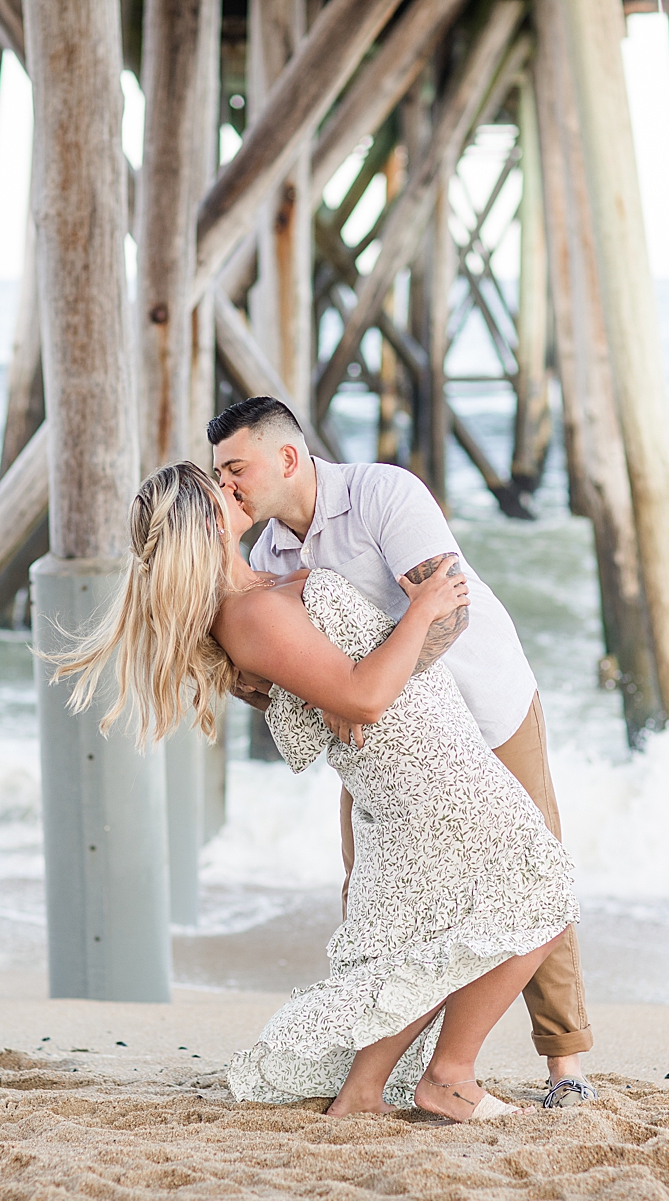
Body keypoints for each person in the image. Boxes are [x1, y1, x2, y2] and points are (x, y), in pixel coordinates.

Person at [52, 461, 576, 1121]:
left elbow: (338, 679)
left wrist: (341, 682)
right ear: (210, 520)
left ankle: (363, 1093)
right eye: (221, 487)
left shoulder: (261, 581)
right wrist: (423, 610)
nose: (233, 486)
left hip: (429, 759)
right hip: (422, 773)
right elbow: (362, 694)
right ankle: (449, 1074)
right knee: (544, 892)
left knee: (439, 931)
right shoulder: (244, 615)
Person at [209, 396, 598, 1109]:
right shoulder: (267, 557)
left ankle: (564, 1062)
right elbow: (289, 679)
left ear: (287, 459)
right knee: (375, 896)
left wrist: (361, 688)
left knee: (532, 866)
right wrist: (339, 690)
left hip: (483, 702)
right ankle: (382, 1072)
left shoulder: (383, 494)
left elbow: (447, 607)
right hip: (390, 743)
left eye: (236, 470)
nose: (227, 487)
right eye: (220, 477)